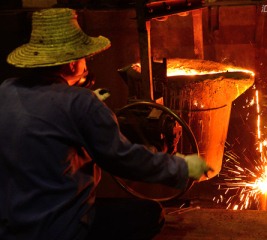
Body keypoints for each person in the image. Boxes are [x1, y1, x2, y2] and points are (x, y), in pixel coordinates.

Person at [0, 8, 208, 240]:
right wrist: (182, 167)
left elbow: (49, 122)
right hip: (58, 230)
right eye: (84, 57)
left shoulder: (6, 91)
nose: (87, 62)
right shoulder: (80, 103)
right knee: (150, 214)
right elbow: (123, 159)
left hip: (14, 227)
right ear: (71, 64)